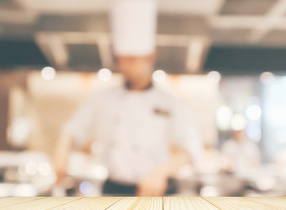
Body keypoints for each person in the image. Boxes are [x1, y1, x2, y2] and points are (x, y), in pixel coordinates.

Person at [54, 0, 201, 196]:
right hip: (114, 190)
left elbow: (190, 149)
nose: (125, 67)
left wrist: (161, 172)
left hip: (157, 190)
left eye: (132, 60)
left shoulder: (172, 103)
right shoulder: (101, 98)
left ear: (151, 56)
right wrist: (61, 152)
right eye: (120, 60)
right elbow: (72, 130)